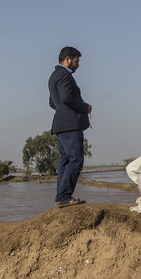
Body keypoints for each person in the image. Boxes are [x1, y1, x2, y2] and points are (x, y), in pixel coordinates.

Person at [48, 46, 91, 208]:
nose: (77, 64)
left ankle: (62, 196)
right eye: (76, 60)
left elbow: (53, 102)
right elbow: (66, 98)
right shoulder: (65, 75)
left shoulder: (54, 76)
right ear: (67, 59)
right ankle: (64, 196)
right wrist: (84, 106)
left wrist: (63, 112)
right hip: (71, 125)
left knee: (65, 162)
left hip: (60, 124)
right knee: (76, 160)